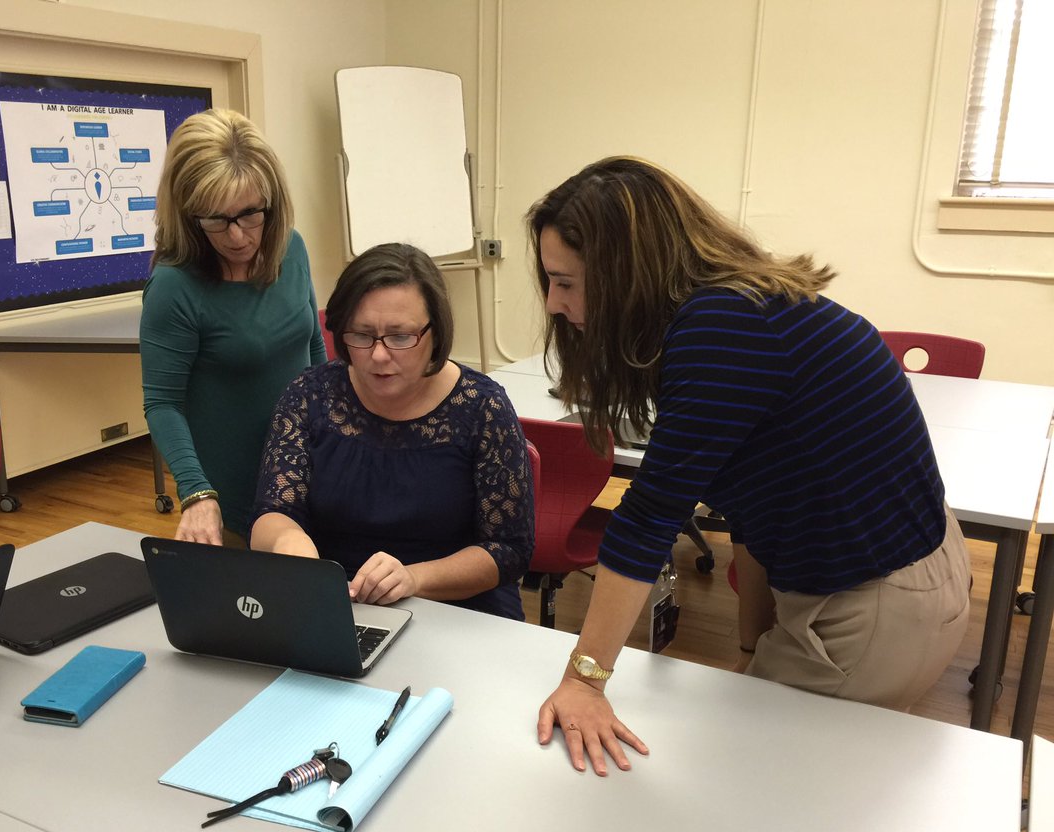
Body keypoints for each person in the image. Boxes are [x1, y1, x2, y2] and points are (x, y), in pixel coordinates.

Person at [529, 157, 971, 775]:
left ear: (627, 274)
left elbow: (650, 515)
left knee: (746, 794)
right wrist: (752, 647)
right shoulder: (745, 305)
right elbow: (756, 496)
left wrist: (586, 680)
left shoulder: (720, 328)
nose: (553, 302)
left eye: (567, 282)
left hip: (876, 607)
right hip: (907, 574)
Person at [249, 242, 534, 619]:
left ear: (435, 333)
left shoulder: (483, 408)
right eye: (361, 335)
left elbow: (508, 550)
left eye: (400, 337)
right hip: (335, 603)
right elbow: (272, 512)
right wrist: (289, 541)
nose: (379, 355)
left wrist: (413, 579)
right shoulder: (310, 395)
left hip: (456, 609)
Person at [140, 109, 326, 546]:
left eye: (249, 215)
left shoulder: (291, 248)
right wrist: (196, 492)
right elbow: (163, 403)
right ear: (188, 214)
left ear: (271, 203)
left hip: (306, 473)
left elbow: (314, 345)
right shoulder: (174, 285)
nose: (237, 236)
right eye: (215, 219)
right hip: (233, 495)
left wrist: (336, 432)